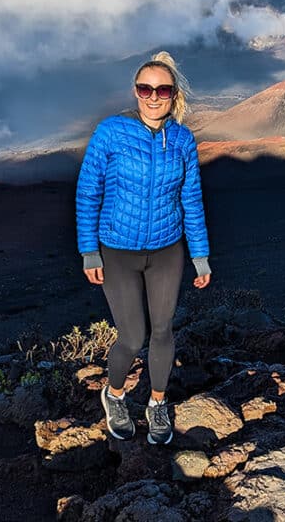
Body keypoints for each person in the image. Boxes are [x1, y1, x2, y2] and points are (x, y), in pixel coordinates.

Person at [75, 51, 211, 445]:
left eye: (162, 89)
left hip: (167, 249)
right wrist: (89, 250)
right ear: (135, 92)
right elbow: (88, 192)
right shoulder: (111, 132)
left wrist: (200, 256)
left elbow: (191, 199)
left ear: (173, 94)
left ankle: (157, 403)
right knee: (133, 337)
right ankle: (114, 394)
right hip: (117, 249)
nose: (153, 96)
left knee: (164, 330)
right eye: (145, 88)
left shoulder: (183, 139)